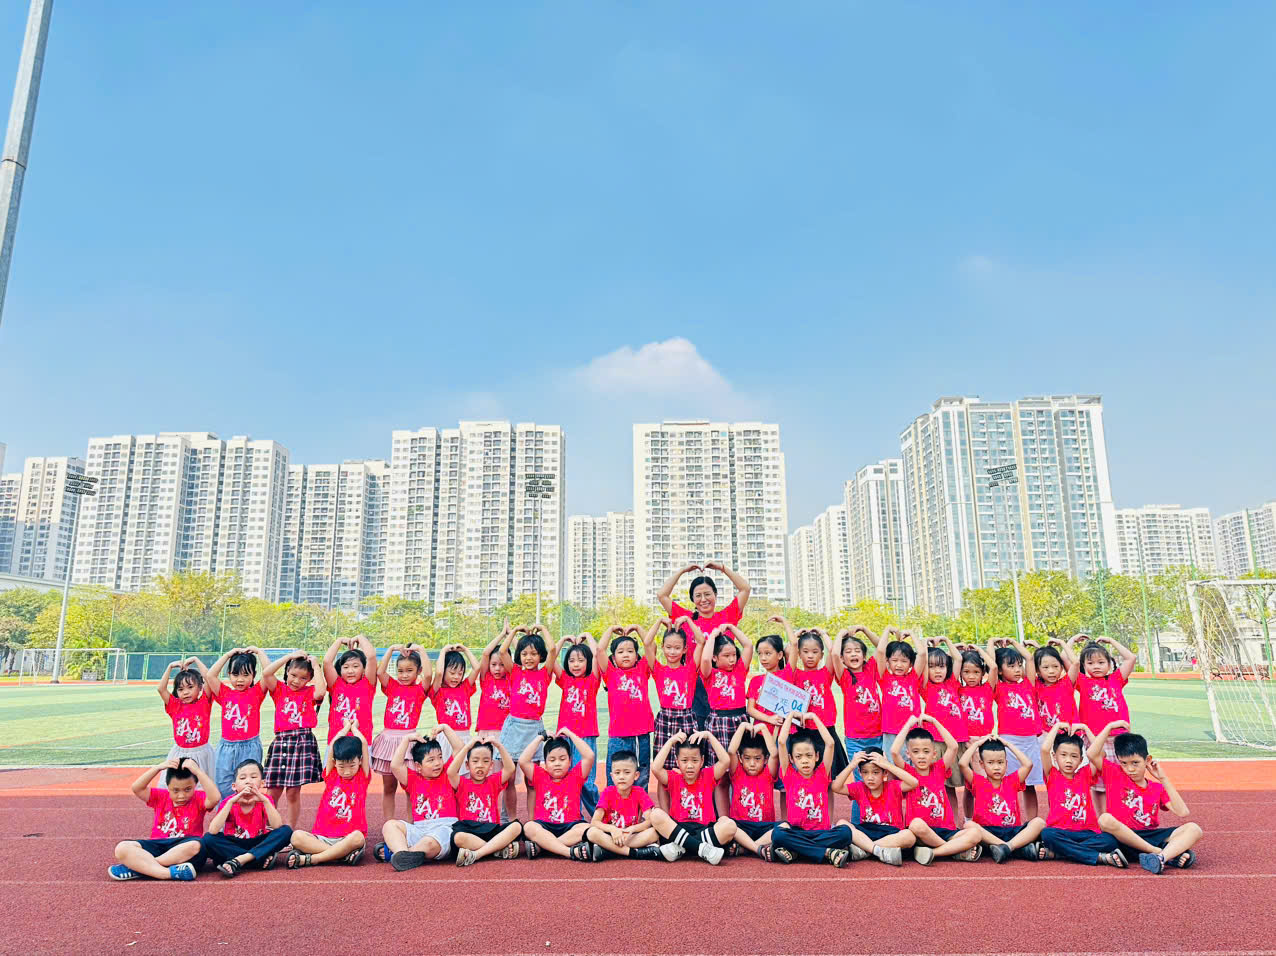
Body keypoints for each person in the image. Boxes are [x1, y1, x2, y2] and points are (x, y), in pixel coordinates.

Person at [1093, 726, 1203, 874]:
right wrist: (1109, 728)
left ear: (1147, 760)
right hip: (1123, 836)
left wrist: (1162, 778)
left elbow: (1182, 812)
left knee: (1194, 829)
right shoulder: (1114, 773)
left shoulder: (1156, 788)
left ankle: (1160, 858)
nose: (1130, 769)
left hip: (1149, 834)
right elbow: (1091, 754)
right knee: (1105, 819)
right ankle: (1163, 854)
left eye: (1135, 763)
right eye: (1124, 763)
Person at [657, 560, 753, 730]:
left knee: (726, 735)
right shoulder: (686, 619)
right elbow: (662, 595)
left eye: (708, 594)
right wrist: (682, 570)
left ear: (715, 595)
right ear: (693, 599)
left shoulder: (727, 617)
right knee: (698, 737)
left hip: (723, 684)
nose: (703, 599)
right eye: (698, 595)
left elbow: (745, 589)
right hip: (695, 686)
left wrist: (723, 568)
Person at [891, 716, 984, 864]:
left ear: (934, 754)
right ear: (908, 755)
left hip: (945, 830)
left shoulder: (939, 769)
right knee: (916, 824)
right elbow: (894, 752)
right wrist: (909, 724)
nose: (921, 756)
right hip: (922, 833)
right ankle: (953, 851)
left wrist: (935, 722)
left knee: (976, 833)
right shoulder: (909, 773)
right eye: (916, 752)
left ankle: (934, 852)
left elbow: (953, 746)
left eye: (926, 751)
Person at [766, 712, 854, 867]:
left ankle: (797, 851)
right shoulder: (789, 775)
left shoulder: (822, 774)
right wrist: (790, 716)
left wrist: (813, 717)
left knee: (845, 833)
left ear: (817, 756)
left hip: (822, 832)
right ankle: (827, 853)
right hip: (798, 831)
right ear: (792, 759)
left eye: (809, 755)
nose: (805, 761)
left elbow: (830, 743)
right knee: (778, 834)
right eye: (799, 757)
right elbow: (781, 741)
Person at [109, 757, 218, 882]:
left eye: (188, 789)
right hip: (158, 844)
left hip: (183, 848)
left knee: (197, 845)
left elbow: (215, 798)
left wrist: (198, 771)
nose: (181, 795)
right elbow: (137, 788)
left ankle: (141, 868)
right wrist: (158, 767)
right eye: (175, 790)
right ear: (168, 787)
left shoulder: (199, 798)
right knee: (122, 848)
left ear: (195, 786)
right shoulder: (160, 796)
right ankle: (166, 873)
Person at [1037, 722, 1126, 867]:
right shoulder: (1052, 775)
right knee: (1047, 834)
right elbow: (1044, 750)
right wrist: (1057, 726)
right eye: (1063, 755)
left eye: (1074, 756)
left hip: (1087, 832)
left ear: (1080, 759)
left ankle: (1060, 853)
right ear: (1055, 756)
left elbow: (1100, 754)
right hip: (1060, 832)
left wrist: (1086, 729)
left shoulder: (1084, 774)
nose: (1068, 760)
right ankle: (1098, 857)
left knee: (1110, 840)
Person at [287, 718, 372, 868]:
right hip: (322, 837)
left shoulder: (361, 778)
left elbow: (363, 744)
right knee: (296, 837)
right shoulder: (331, 775)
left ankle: (314, 858)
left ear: (360, 761)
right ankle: (341, 856)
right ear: (334, 762)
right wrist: (346, 727)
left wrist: (355, 728)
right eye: (341, 766)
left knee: (359, 838)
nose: (346, 771)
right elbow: (333, 745)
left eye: (352, 765)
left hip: (348, 838)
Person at [377, 726, 463, 870]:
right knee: (389, 825)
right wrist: (406, 739)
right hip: (420, 829)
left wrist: (445, 728)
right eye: (431, 760)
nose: (437, 763)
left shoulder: (448, 774)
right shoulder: (412, 780)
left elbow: (459, 749)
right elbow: (395, 765)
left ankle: (401, 854)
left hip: (444, 827)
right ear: (418, 766)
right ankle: (402, 854)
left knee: (429, 843)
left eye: (440, 757)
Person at [648, 731, 738, 865]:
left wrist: (709, 735)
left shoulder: (708, 776)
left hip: (703, 829)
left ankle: (681, 848)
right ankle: (702, 849)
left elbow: (725, 761)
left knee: (729, 826)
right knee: (655, 814)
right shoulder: (674, 779)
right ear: (677, 761)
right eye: (684, 761)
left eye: (695, 761)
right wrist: (671, 741)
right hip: (678, 828)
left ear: (702, 761)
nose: (689, 766)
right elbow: (655, 768)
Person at [261, 650, 326, 828]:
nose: (297, 681)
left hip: (301, 741)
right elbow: (267, 673)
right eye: (293, 675)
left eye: (303, 678)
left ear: (309, 679)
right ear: (287, 672)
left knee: (292, 792)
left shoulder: (309, 692)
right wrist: (288, 657)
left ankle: (289, 829)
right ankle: (266, 827)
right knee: (272, 791)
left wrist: (315, 665)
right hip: (281, 741)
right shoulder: (279, 689)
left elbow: (321, 692)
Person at [199, 758, 294, 877]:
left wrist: (264, 800)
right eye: (243, 778)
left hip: (258, 842)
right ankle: (257, 860)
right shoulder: (229, 801)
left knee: (286, 831)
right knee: (208, 839)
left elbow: (277, 826)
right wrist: (230, 803)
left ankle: (239, 860)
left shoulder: (265, 800)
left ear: (262, 783)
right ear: (234, 785)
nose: (248, 781)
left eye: (253, 777)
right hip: (234, 843)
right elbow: (213, 830)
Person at [498, 624, 553, 824]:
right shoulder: (515, 672)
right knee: (509, 778)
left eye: (534, 654)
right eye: (524, 653)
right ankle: (509, 820)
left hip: (534, 729)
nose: (528, 658)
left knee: (533, 781)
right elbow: (503, 651)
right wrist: (514, 632)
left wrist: (542, 628)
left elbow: (553, 649)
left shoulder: (544, 674)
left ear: (541, 656)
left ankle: (533, 822)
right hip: (514, 727)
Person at [958, 736, 1045, 863]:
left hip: (1011, 831)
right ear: (982, 764)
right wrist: (977, 744)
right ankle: (1013, 848)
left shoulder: (1012, 781)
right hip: (987, 834)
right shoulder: (978, 781)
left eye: (1000, 762)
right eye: (991, 763)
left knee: (1039, 822)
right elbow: (962, 764)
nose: (997, 767)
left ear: (1006, 763)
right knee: (968, 825)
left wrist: (1008, 745)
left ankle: (1006, 848)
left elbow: (1028, 764)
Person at [781, 622, 849, 781]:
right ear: (799, 653)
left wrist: (824, 634)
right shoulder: (794, 673)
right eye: (805, 652)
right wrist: (797, 635)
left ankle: (828, 807)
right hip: (803, 731)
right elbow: (787, 651)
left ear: (821, 654)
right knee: (804, 777)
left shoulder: (825, 673)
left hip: (825, 729)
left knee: (828, 778)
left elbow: (833, 653)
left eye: (815, 652)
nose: (810, 656)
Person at [371, 643, 430, 824]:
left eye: (409, 671)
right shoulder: (393, 686)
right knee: (389, 788)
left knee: (411, 788)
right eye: (400, 671)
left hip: (409, 741)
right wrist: (390, 650)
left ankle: (412, 825)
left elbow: (428, 675)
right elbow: (380, 673)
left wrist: (421, 650)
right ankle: (389, 825)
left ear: (418, 671)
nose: (404, 675)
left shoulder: (420, 690)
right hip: (389, 740)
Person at [700, 622, 754, 814]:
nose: (732, 659)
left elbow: (748, 646)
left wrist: (731, 627)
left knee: (741, 773)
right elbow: (705, 660)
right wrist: (712, 636)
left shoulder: (740, 670)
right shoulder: (710, 674)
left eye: (734, 655)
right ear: (716, 657)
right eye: (726, 656)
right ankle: (723, 819)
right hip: (718, 723)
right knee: (721, 776)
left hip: (740, 721)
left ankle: (741, 816)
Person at [833, 748, 918, 866]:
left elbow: (914, 782)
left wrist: (887, 764)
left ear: (885, 773)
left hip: (890, 833)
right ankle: (877, 850)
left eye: (876, 772)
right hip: (866, 830)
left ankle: (865, 850)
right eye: (865, 772)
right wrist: (851, 765)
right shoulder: (859, 788)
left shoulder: (893, 787)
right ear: (860, 772)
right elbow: (836, 787)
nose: (870, 777)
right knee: (842, 823)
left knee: (909, 836)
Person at [831, 626, 882, 825]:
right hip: (856, 739)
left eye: (857, 651)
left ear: (863, 655)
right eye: (848, 652)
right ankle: (858, 824)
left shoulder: (871, 670)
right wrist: (842, 634)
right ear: (843, 659)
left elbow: (882, 648)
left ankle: (878, 821)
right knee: (861, 784)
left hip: (878, 735)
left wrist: (864, 630)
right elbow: (834, 653)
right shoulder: (844, 677)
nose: (853, 654)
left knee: (877, 782)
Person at [520, 729, 596, 860]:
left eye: (562, 759)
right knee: (529, 827)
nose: (557, 764)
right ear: (545, 762)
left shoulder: (575, 776)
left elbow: (589, 756)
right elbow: (523, 761)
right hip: (545, 825)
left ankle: (544, 846)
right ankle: (568, 851)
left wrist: (571, 735)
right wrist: (540, 738)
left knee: (587, 828)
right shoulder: (540, 776)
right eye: (552, 759)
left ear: (570, 761)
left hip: (570, 825)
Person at [204, 647, 269, 798]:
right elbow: (210, 675)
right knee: (223, 784)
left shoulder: (256, 693)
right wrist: (227, 654)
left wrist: (259, 652)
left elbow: (268, 673)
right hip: (226, 747)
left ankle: (248, 818)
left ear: (253, 676)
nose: (240, 679)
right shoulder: (224, 693)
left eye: (246, 675)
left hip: (250, 746)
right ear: (229, 674)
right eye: (235, 674)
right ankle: (226, 818)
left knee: (250, 786)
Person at [449, 735, 524, 866]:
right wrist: (467, 746)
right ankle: (498, 850)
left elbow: (510, 768)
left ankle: (477, 853)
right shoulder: (461, 783)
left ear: (491, 765)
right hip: (470, 829)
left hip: (491, 829)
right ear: (467, 765)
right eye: (475, 761)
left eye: (485, 761)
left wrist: (499, 746)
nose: (480, 766)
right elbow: (451, 772)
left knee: (517, 826)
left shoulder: (493, 782)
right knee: (458, 837)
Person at [991, 637, 1044, 819]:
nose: (1017, 670)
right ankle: (1012, 820)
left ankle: (1032, 823)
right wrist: (991, 643)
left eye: (1018, 665)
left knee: (1031, 786)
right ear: (1000, 671)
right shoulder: (998, 688)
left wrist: (1014, 642)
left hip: (1030, 740)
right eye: (1011, 666)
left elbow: (1029, 659)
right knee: (1011, 785)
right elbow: (992, 666)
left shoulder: (1028, 684)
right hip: (1010, 741)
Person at [598, 625, 655, 792]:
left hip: (640, 734)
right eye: (620, 651)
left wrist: (638, 628)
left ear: (637, 656)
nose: (625, 654)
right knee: (614, 775)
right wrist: (610, 630)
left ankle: (639, 811)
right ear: (614, 658)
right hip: (618, 735)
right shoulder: (610, 673)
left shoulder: (642, 669)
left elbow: (650, 645)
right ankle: (613, 811)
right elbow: (600, 650)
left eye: (630, 651)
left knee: (641, 774)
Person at [920, 636, 970, 825]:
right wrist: (926, 647)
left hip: (960, 740)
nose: (937, 670)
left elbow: (957, 659)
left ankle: (968, 820)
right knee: (946, 786)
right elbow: (923, 662)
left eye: (941, 666)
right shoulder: (925, 686)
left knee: (969, 785)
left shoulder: (952, 683)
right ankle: (951, 824)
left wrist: (946, 641)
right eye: (932, 666)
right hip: (938, 741)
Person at [551, 633, 602, 817]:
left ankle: (601, 816)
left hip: (586, 736)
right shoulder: (565, 679)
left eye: (581, 660)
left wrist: (588, 636)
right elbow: (551, 658)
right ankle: (574, 818)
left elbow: (598, 654)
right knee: (565, 780)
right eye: (572, 660)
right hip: (565, 738)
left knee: (586, 782)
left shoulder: (593, 680)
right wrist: (563, 639)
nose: (576, 664)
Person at [584, 750, 664, 859]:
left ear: (636, 775)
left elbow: (650, 821)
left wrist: (633, 829)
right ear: (612, 776)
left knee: (654, 833)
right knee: (592, 832)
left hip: (630, 835)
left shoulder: (640, 792)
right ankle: (635, 853)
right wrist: (613, 829)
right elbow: (595, 822)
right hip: (611, 835)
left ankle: (609, 851)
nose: (621, 777)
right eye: (617, 773)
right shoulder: (608, 792)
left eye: (627, 772)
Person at [649, 617, 704, 775]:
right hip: (665, 718)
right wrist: (658, 622)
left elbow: (701, 641)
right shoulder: (659, 670)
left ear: (685, 649)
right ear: (663, 648)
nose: (672, 652)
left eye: (677, 648)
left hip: (686, 717)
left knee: (687, 768)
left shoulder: (690, 669)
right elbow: (647, 643)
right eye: (668, 647)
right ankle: (665, 801)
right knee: (663, 769)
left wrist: (688, 620)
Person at [725, 721, 778, 857]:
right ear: (740, 758)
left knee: (784, 828)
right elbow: (731, 750)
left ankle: (747, 848)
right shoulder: (737, 773)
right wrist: (742, 726)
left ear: (765, 759)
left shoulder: (768, 774)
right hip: (742, 827)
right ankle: (758, 848)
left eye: (757, 759)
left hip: (765, 827)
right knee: (726, 825)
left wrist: (763, 727)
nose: (752, 763)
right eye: (747, 758)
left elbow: (774, 754)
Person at [322, 635, 377, 761]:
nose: (350, 671)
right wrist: (339, 641)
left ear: (363, 669)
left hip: (361, 744)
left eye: (356, 666)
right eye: (346, 667)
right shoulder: (336, 685)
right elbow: (326, 662)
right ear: (340, 669)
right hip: (336, 743)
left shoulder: (367, 685)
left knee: (362, 780)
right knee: (332, 779)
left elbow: (371, 657)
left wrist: (360, 638)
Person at [157, 658, 216, 774]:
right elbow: (161, 689)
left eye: (190, 687)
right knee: (178, 785)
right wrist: (170, 667)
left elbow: (209, 678)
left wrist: (196, 660)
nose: (185, 692)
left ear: (200, 687)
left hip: (202, 753)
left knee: (202, 787)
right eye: (180, 689)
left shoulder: (204, 703)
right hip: (180, 753)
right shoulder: (174, 706)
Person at [872, 628, 922, 763]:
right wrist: (887, 630)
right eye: (894, 660)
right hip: (891, 731)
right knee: (892, 765)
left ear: (911, 664)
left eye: (904, 661)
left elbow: (922, 653)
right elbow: (881, 651)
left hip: (912, 730)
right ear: (888, 662)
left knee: (913, 766)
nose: (899, 664)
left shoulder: (913, 677)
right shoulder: (885, 678)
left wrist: (912, 633)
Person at [430, 641, 479, 743]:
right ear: (444, 671)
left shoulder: (464, 688)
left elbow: (477, 668)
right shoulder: (438, 691)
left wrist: (465, 650)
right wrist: (443, 651)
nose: (456, 677)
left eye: (460, 673)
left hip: (465, 736)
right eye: (452, 673)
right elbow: (438, 673)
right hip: (446, 737)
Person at [745, 628, 791, 732]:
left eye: (767, 653)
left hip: (783, 734)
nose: (763, 658)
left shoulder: (786, 675)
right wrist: (769, 719)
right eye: (760, 654)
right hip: (761, 733)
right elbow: (750, 709)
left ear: (779, 655)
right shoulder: (755, 680)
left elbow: (791, 648)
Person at [1033, 640, 1078, 730]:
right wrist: (1022, 645)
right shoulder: (1035, 684)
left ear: (1061, 668)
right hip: (1047, 737)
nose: (1051, 671)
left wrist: (1062, 643)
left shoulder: (1066, 683)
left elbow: (1076, 663)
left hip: (1069, 736)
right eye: (1045, 667)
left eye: (1055, 666)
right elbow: (1027, 665)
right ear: (1037, 670)